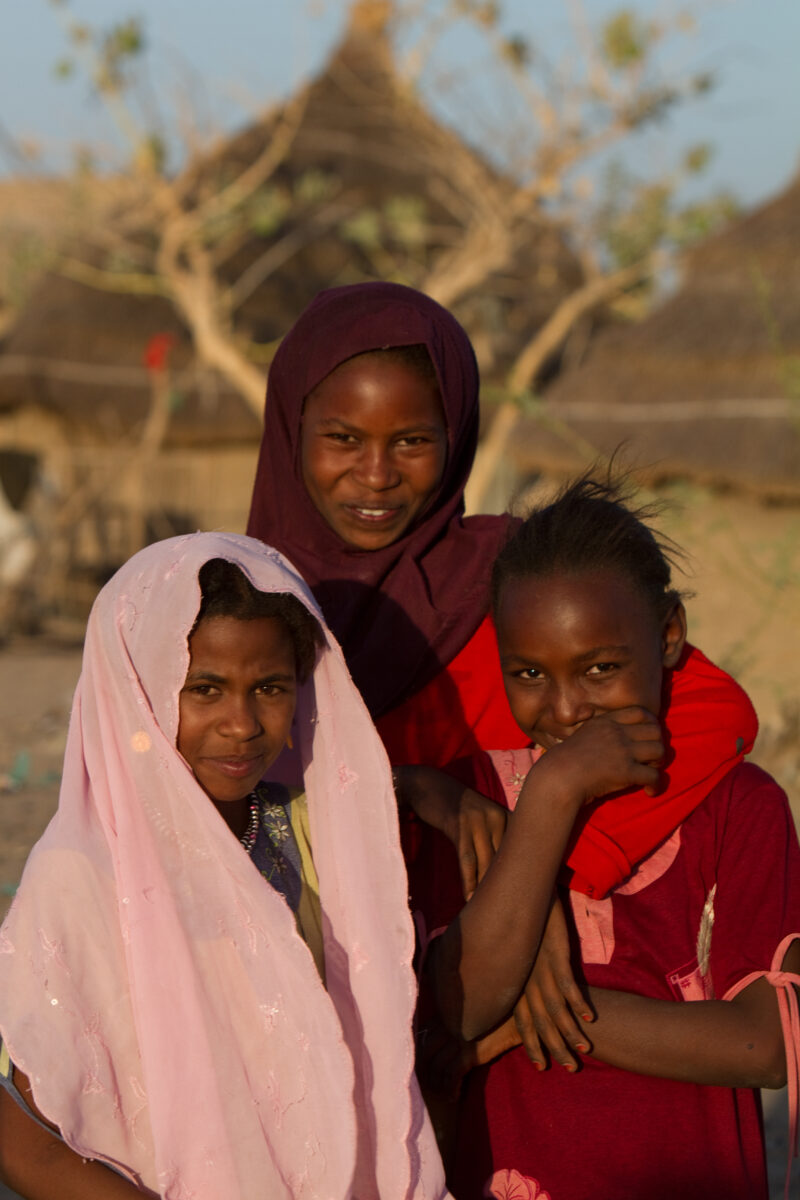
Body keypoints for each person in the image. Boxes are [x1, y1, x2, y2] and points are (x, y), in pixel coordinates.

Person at [246, 281, 759, 906]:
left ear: (455, 438)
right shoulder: (231, 605)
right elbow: (196, 803)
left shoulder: (514, 584)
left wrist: (540, 882)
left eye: (412, 441)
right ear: (290, 429)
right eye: (343, 439)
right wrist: (407, 787)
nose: (376, 475)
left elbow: (713, 713)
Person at [0, 532, 449, 1200]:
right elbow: (27, 1142)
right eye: (203, 689)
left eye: (269, 687)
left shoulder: (306, 839)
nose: (241, 724)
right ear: (136, 692)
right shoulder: (82, 876)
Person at [413, 477, 800, 1200]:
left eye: (600, 669)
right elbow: (466, 1004)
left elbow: (764, 1043)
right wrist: (553, 796)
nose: (565, 709)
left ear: (671, 634)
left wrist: (516, 1029)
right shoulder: (472, 804)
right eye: (529, 673)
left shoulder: (739, 807)